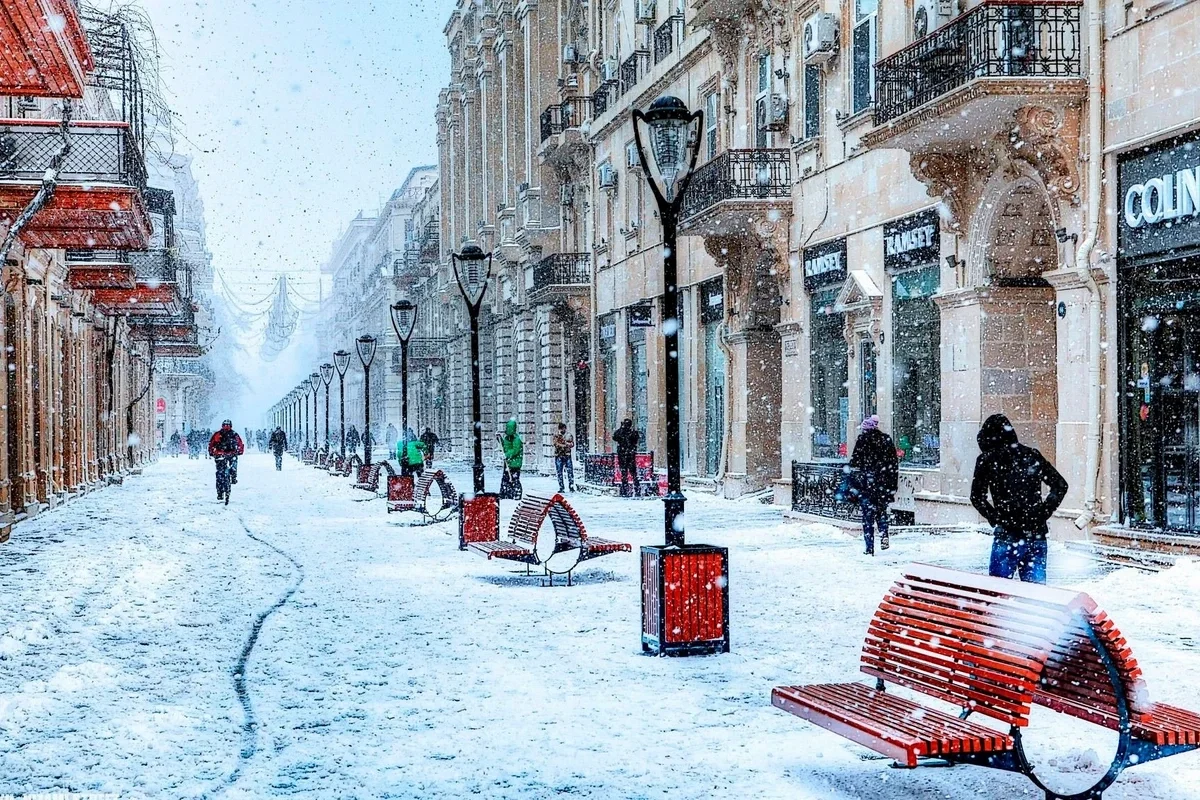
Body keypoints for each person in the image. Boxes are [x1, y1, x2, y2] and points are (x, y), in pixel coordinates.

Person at [970, 413, 1068, 585]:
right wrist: (1042, 512)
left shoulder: (987, 459)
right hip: (1035, 533)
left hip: (1007, 533)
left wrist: (996, 518)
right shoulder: (1031, 455)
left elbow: (976, 497)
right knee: (1035, 596)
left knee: (998, 593)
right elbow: (1060, 485)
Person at [848, 415, 899, 556]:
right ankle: (884, 535)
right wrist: (892, 486)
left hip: (866, 485)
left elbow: (854, 464)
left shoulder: (862, 441)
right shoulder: (886, 440)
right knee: (881, 513)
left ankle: (869, 547)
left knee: (867, 517)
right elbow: (893, 464)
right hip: (883, 484)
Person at [208, 420, 245, 501]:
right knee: (233, 465)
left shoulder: (217, 434)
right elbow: (240, 444)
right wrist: (239, 452)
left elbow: (211, 444)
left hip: (220, 455)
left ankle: (220, 492)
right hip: (231, 454)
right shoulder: (234, 434)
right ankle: (233, 476)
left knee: (219, 473)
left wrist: (212, 452)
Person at [613, 418, 640, 496]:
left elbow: (615, 436)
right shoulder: (632, 432)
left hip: (626, 455)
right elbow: (615, 437)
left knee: (626, 473)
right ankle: (633, 489)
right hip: (628, 455)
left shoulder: (630, 432)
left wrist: (622, 429)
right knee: (631, 473)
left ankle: (626, 490)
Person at [498, 419, 524, 499]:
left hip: (515, 464)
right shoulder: (507, 438)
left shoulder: (517, 439)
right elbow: (505, 446)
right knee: (506, 479)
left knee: (514, 479)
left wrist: (507, 455)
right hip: (508, 463)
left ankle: (516, 493)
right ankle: (506, 494)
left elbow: (515, 450)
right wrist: (500, 439)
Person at [553, 422, 576, 493]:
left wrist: (565, 443)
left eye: (563, 428)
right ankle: (561, 487)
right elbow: (556, 444)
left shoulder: (569, 435)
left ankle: (571, 486)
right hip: (559, 455)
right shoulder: (556, 435)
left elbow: (572, 444)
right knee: (559, 472)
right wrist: (564, 445)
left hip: (567, 455)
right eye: (560, 429)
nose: (561, 430)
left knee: (570, 472)